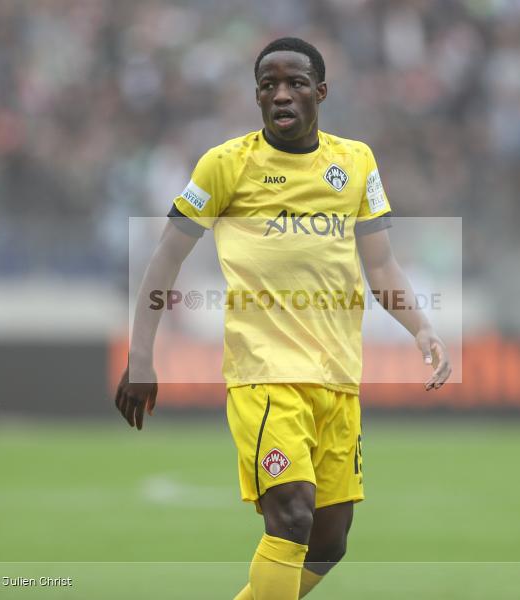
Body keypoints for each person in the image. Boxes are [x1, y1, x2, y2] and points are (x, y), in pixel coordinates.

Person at [114, 37, 451, 599]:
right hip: (265, 376)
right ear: (257, 97)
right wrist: (141, 357)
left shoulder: (355, 162)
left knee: (329, 541)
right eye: (268, 85)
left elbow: (382, 265)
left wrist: (422, 328)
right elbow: (164, 259)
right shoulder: (227, 165)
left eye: (295, 83)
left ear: (321, 92)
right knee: (291, 515)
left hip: (338, 380)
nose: (281, 94)